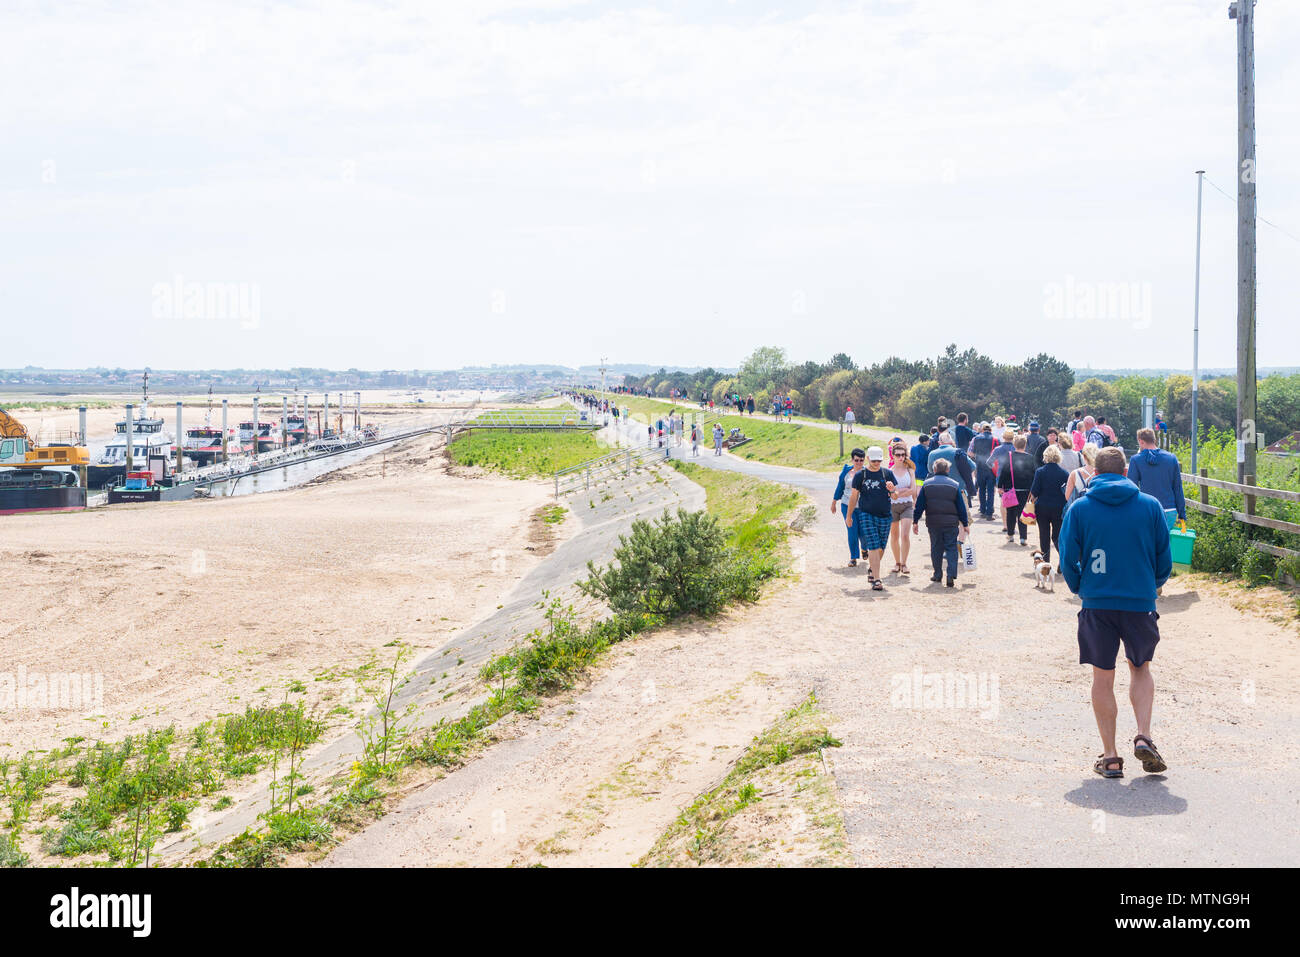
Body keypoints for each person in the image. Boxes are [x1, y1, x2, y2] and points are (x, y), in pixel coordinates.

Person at [1059, 446, 1172, 779]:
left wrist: (1081, 586)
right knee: (1140, 669)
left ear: (1093, 473)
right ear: (1126, 473)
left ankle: (1110, 757)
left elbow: (1067, 557)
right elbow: (1164, 558)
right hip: (1139, 602)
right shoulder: (1150, 506)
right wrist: (1151, 585)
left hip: (1098, 603)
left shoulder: (1080, 508)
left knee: (1102, 677)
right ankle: (1144, 735)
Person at [911, 458, 970, 587]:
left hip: (933, 522)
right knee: (951, 547)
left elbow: (919, 505)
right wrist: (965, 524)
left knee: (936, 548)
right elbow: (961, 508)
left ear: (934, 469)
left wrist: (915, 520)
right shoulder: (954, 485)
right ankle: (951, 574)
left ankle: (937, 574)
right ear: (948, 470)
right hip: (951, 523)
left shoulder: (927, 484)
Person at [845, 446, 897, 591]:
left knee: (881, 547)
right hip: (866, 514)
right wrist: (849, 516)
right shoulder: (860, 475)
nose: (876, 463)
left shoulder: (887, 474)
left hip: (885, 515)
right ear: (868, 459)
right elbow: (854, 497)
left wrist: (892, 489)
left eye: (879, 460)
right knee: (873, 546)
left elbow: (895, 496)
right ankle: (877, 579)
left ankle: (872, 570)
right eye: (874, 460)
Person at [1127, 428, 1186, 523]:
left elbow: (1131, 488)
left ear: (1141, 441)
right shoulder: (1171, 458)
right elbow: (1177, 487)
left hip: (1146, 509)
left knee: (1147, 538)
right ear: (1154, 440)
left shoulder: (1136, 460)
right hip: (1169, 510)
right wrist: (1182, 513)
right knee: (1165, 538)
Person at [1029, 444, 1070, 562]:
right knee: (1057, 537)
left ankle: (1046, 561)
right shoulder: (1064, 473)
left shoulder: (1040, 472)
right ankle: (1063, 560)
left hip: (1042, 507)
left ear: (1045, 456)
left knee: (1044, 535)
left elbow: (1034, 491)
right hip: (1059, 507)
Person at [997, 434, 1035, 545]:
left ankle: (1010, 535)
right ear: (1025, 445)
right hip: (1025, 490)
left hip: (1010, 489)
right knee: (1023, 514)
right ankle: (1023, 538)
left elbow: (1003, 473)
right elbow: (1033, 475)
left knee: (1010, 514)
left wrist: (1000, 486)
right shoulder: (1030, 458)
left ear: (1014, 444)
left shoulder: (1009, 456)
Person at [832, 448, 868, 567]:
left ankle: (864, 548)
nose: (859, 463)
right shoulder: (846, 472)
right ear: (852, 460)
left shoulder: (867, 473)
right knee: (852, 531)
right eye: (856, 460)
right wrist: (834, 502)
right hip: (847, 505)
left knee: (863, 532)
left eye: (861, 460)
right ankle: (853, 557)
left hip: (863, 507)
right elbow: (840, 487)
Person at [887, 441, 916, 575]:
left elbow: (913, 490)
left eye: (903, 455)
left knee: (905, 535)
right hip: (892, 506)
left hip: (907, 505)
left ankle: (904, 563)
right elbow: (888, 493)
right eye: (898, 455)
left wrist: (898, 492)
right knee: (894, 536)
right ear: (892, 455)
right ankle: (897, 562)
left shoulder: (910, 470)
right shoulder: (888, 472)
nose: (900, 457)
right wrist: (900, 491)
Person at [969, 422, 998, 520]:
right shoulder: (995, 439)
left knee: (981, 489)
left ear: (982, 430)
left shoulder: (975, 439)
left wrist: (978, 457)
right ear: (990, 430)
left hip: (980, 467)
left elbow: (970, 452)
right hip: (991, 468)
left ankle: (982, 511)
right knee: (990, 490)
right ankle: (989, 513)